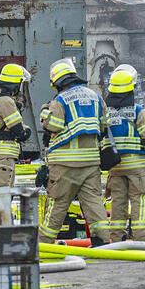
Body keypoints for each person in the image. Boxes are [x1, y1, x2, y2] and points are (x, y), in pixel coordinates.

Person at [38, 59, 111, 246]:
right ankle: (102, 241)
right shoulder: (95, 96)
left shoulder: (60, 100)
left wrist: (45, 113)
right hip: (91, 162)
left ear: (57, 81)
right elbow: (104, 125)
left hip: (64, 164)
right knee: (94, 203)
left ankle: (44, 244)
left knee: (58, 204)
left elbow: (53, 125)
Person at [102, 65, 145, 242]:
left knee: (118, 201)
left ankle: (116, 238)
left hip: (115, 166)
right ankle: (141, 237)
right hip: (136, 165)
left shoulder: (105, 113)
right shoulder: (138, 111)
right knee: (138, 200)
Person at [0, 63, 31, 187]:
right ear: (15, 84)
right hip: (5, 155)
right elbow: (18, 130)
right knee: (4, 193)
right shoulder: (6, 101)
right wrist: (26, 131)